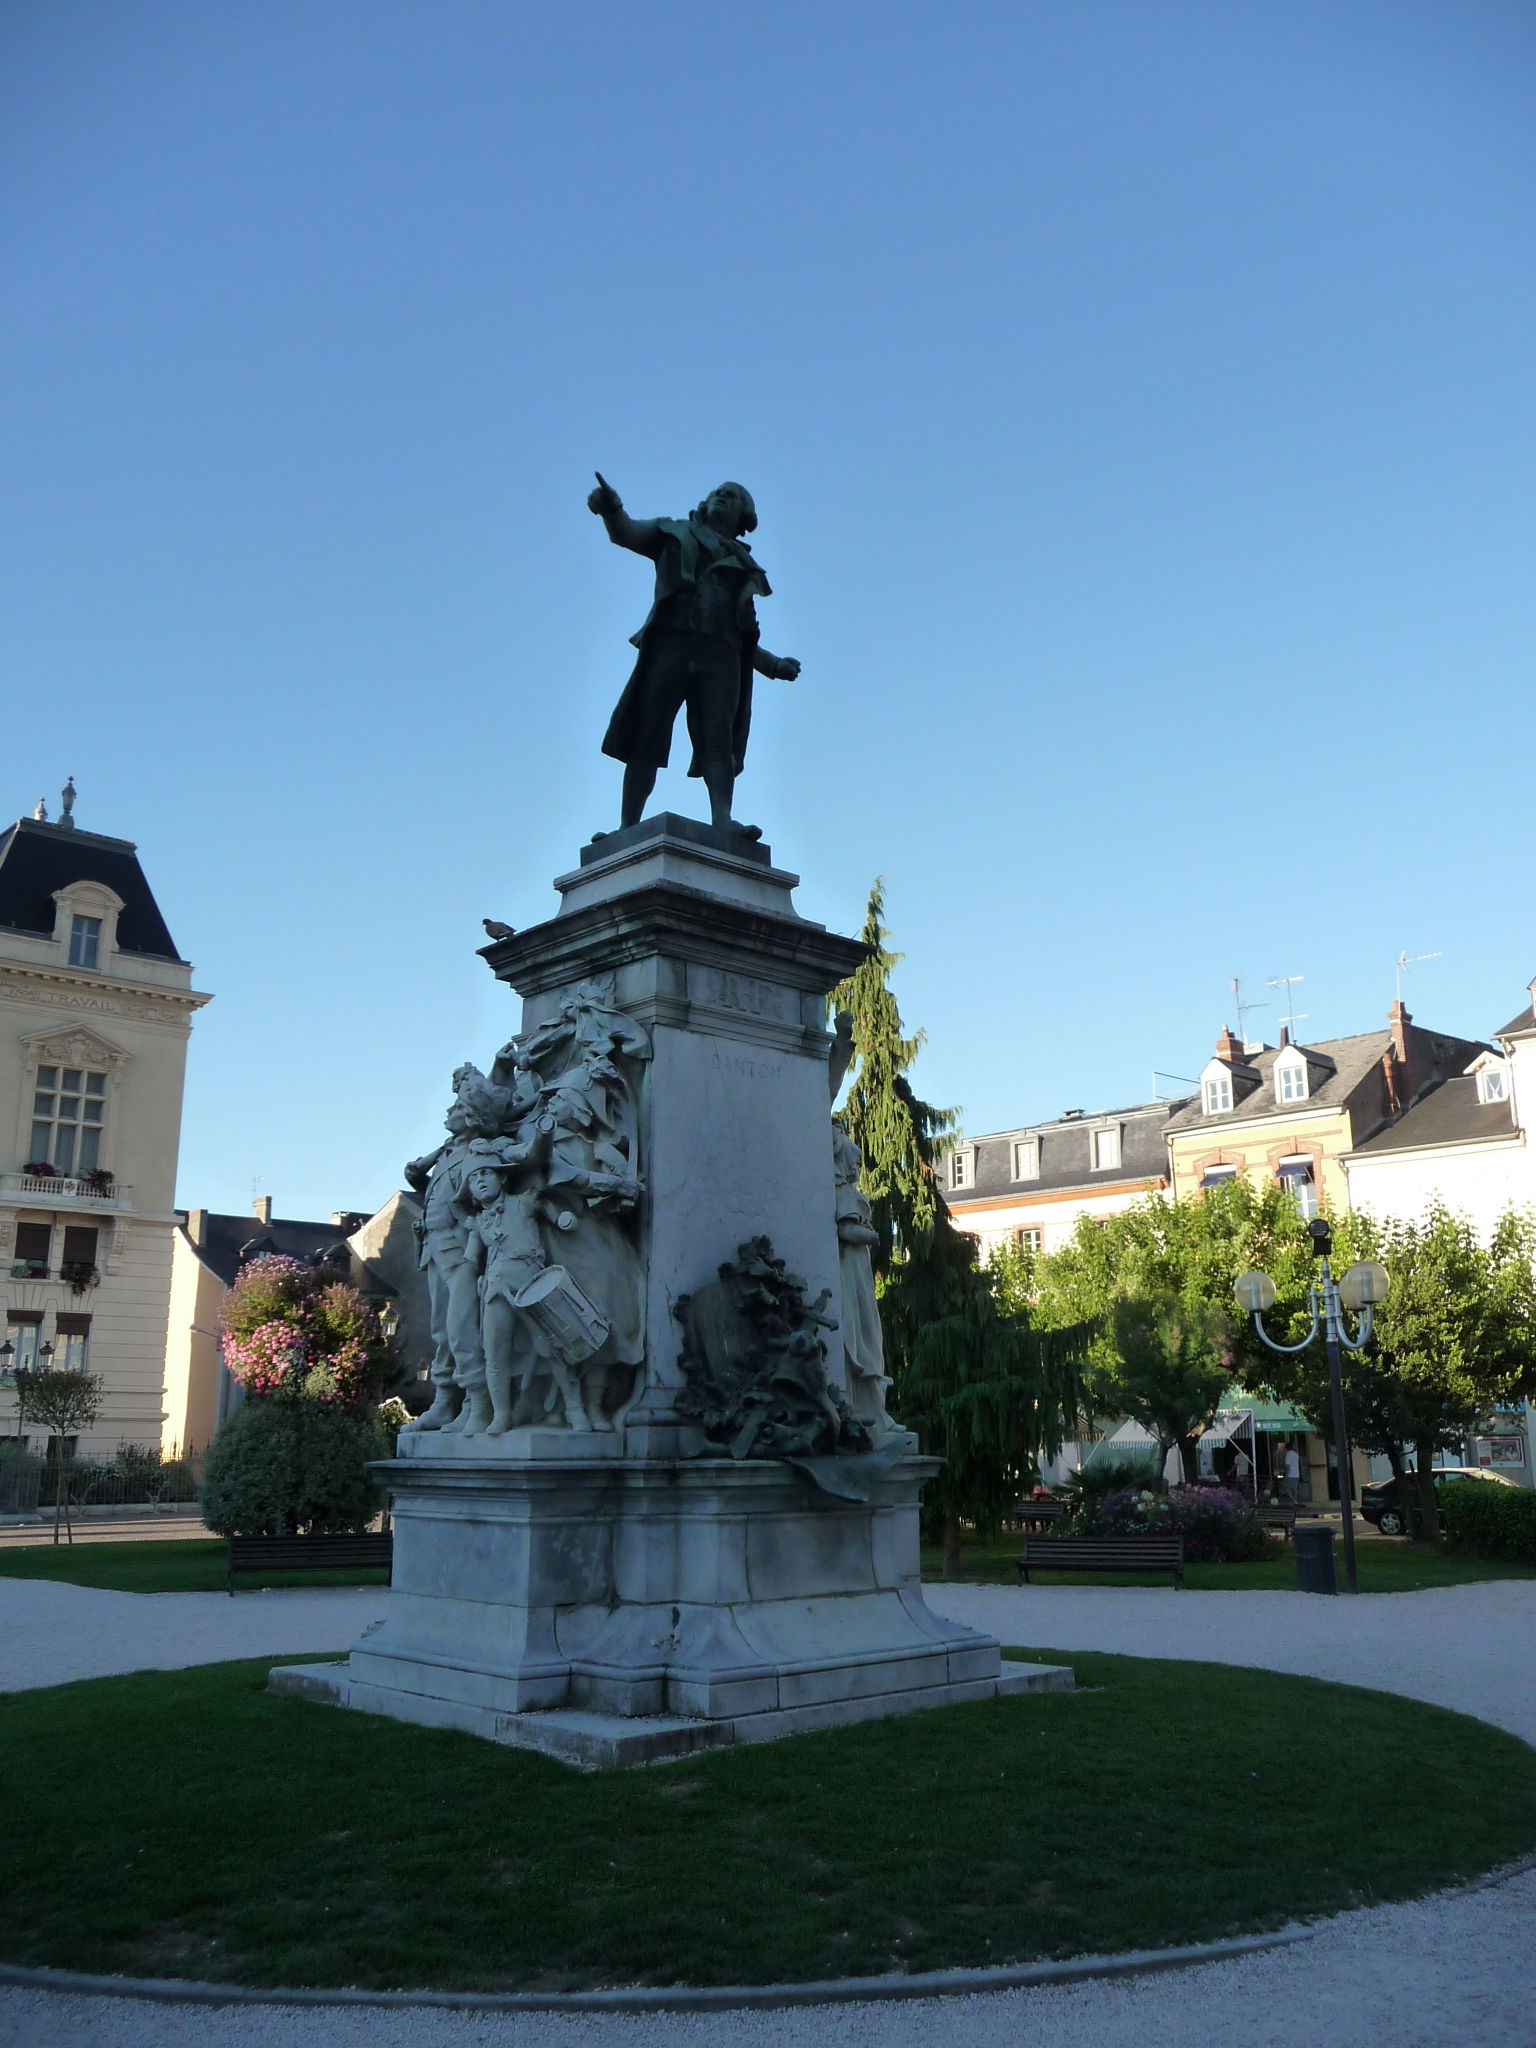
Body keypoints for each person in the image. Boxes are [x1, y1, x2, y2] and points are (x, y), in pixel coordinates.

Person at [588, 474, 801, 835]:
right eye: (718, 492)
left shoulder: (744, 565)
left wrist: (774, 665)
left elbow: (744, 636)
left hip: (721, 655)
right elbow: (626, 533)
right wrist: (612, 509)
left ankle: (723, 822)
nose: (721, 496)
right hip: (672, 644)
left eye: (731, 496)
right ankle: (627, 827)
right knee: (647, 734)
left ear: (744, 517)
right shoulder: (673, 531)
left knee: (719, 741)